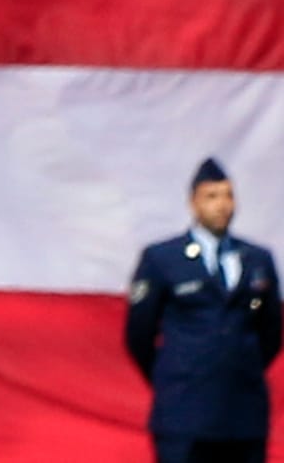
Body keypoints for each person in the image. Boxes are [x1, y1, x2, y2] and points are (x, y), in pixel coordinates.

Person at [125, 158, 281, 463]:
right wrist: (174, 373)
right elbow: (139, 335)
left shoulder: (257, 259)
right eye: (211, 196)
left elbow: (271, 332)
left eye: (228, 195)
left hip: (243, 414)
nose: (222, 205)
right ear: (193, 202)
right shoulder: (163, 258)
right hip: (184, 413)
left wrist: (237, 366)